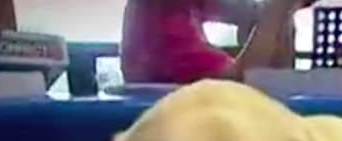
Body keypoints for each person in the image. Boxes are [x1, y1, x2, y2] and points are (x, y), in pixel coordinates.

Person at [121, 0, 310, 84]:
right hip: (180, 126)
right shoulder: (164, 28)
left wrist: (285, 8)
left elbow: (252, 12)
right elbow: (244, 79)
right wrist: (280, 7)